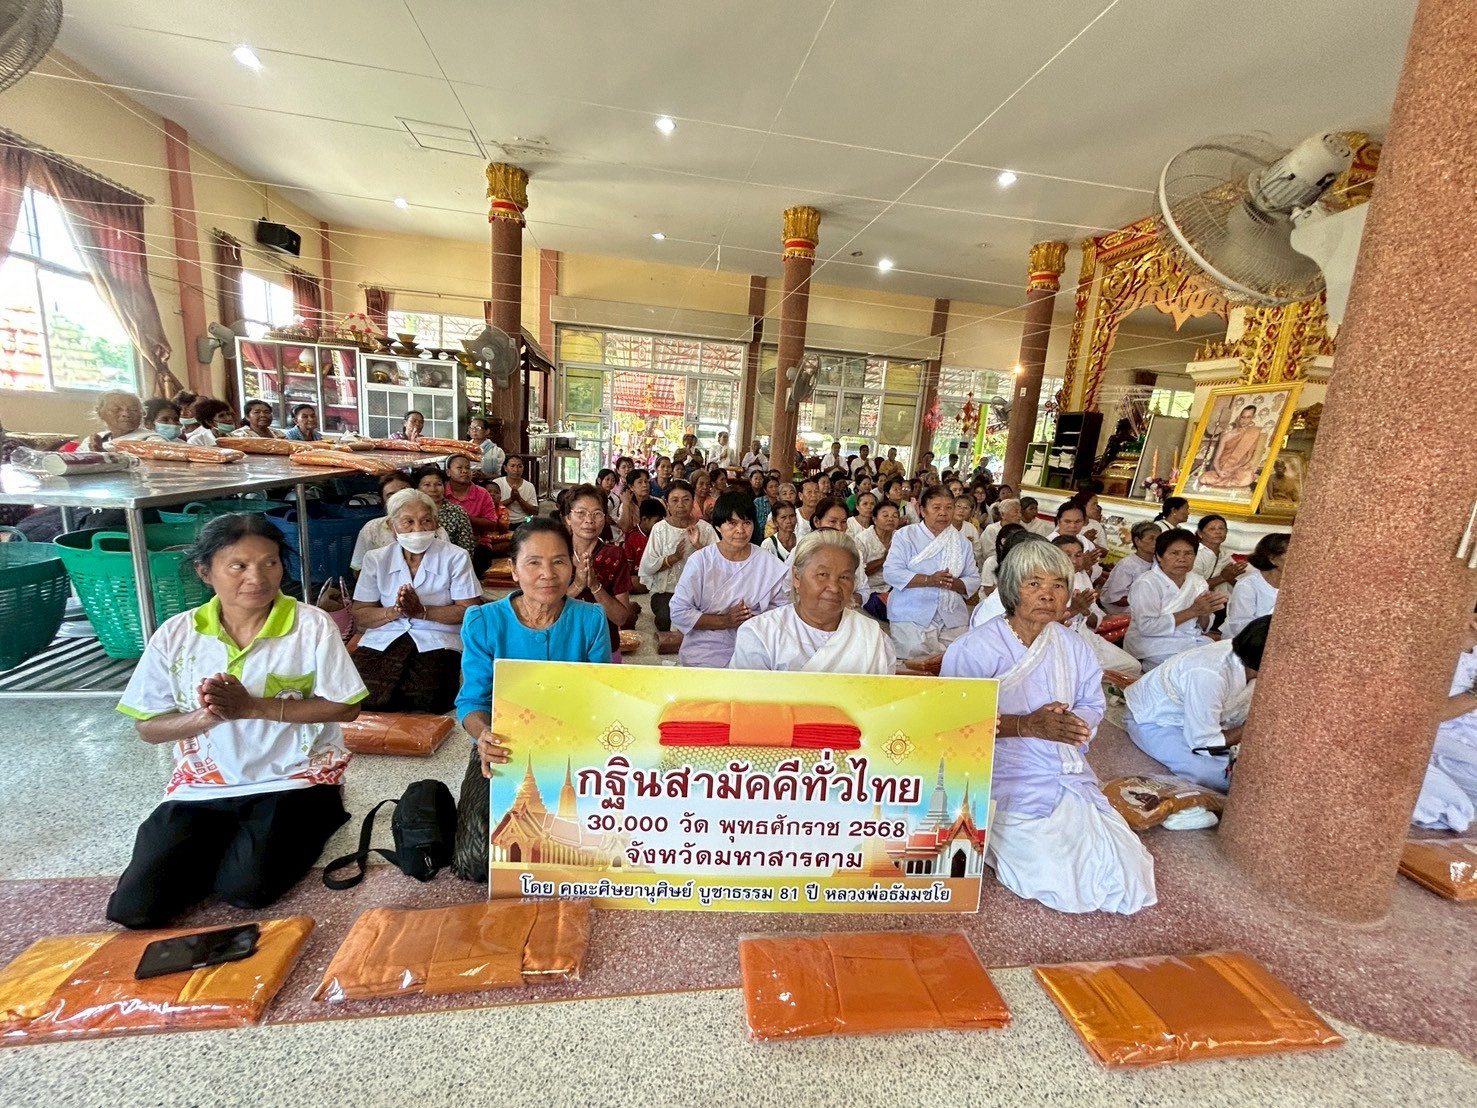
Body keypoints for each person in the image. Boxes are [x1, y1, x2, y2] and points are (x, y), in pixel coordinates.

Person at [108, 514, 365, 928]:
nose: (257, 577)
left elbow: (346, 707)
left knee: (247, 890)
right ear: (205, 572)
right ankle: (224, 841)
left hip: (295, 778)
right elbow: (148, 727)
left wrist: (252, 707)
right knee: (135, 908)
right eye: (238, 566)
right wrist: (206, 717)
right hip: (202, 785)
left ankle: (311, 817)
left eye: (270, 563)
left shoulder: (309, 625)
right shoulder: (177, 635)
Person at [942, 539, 1155, 915]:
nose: (1048, 594)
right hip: (999, 771)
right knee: (1053, 868)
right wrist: (1027, 725)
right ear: (1011, 588)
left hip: (1064, 768)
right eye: (1034, 583)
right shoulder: (974, 649)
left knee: (1124, 863)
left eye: (1058, 585)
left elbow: (1092, 704)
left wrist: (1070, 725)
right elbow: (951, 725)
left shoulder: (1074, 646)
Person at [452, 518, 611, 880]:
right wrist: (483, 737)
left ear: (572, 565)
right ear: (513, 569)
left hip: (576, 748)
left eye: (559, 561)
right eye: (534, 562)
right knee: (480, 860)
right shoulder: (484, 621)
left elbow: (604, 693)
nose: (548, 574)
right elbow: (471, 702)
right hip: (505, 746)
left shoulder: (591, 619)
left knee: (594, 843)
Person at [350, 488, 481, 712]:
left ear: (436, 523)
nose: (418, 529)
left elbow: (469, 610)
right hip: (384, 636)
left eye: (426, 521)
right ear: (392, 527)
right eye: (408, 522)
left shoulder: (456, 557)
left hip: (438, 638)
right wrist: (394, 611)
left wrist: (422, 611)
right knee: (361, 695)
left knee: (429, 698)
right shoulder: (376, 559)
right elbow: (360, 611)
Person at [1125, 616, 1269, 793]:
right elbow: (1204, 742)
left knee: (1265, 762)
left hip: (1202, 722)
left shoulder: (1250, 660)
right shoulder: (1209, 674)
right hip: (1156, 720)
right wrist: (1253, 728)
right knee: (1221, 775)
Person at [731, 532, 896, 674]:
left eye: (844, 577)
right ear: (797, 577)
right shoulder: (761, 634)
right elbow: (748, 705)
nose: (834, 587)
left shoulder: (874, 638)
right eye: (822, 574)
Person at [669, 491, 791, 668]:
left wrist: (754, 620)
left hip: (755, 643)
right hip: (706, 646)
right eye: (732, 523)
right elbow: (679, 612)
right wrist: (726, 621)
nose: (740, 530)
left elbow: (782, 612)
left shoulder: (768, 563)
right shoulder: (701, 561)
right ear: (718, 526)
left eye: (747, 523)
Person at [884, 485, 980, 660]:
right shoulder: (905, 535)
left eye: (949, 507)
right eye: (936, 508)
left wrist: (951, 583)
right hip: (911, 611)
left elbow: (973, 579)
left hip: (951, 615)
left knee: (957, 659)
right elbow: (891, 572)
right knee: (913, 660)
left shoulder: (962, 542)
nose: (943, 513)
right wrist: (929, 580)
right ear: (922, 510)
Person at [1412, 606, 1477, 832]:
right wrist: (1474, 694)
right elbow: (1425, 715)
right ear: (1474, 620)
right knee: (1455, 808)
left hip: (1466, 738)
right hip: (1436, 738)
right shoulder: (1436, 656)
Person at [1124, 529, 1223, 670]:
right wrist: (1193, 611)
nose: (1182, 559)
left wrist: (1205, 611)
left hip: (1190, 640)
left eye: (1188, 553)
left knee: (1228, 662)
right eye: (1174, 553)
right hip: (1153, 645)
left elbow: (1203, 627)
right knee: (1193, 670)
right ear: (1159, 556)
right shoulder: (1147, 583)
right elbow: (1147, 627)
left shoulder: (1198, 581)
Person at [560, 484, 634, 661]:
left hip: (603, 644)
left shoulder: (615, 555)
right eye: (581, 513)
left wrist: (595, 586)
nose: (589, 520)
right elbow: (542, 609)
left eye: (597, 514)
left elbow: (621, 618)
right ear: (568, 518)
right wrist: (577, 585)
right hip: (560, 644)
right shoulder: (555, 553)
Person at [1052, 535, 1141, 679]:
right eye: (1067, 555)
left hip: (1085, 637)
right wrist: (1072, 610)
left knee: (1132, 666)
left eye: (1078, 555)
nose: (1074, 561)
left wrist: (1085, 611)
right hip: (1059, 644)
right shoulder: (1046, 583)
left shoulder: (1081, 577)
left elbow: (1094, 621)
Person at [638, 480, 716, 632]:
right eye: (675, 500)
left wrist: (698, 546)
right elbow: (648, 565)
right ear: (667, 504)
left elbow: (719, 563)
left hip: (697, 591)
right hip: (666, 591)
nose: (680, 505)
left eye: (686, 499)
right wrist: (671, 559)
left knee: (705, 619)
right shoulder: (659, 529)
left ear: (693, 501)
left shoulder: (705, 529)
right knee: (666, 620)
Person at [350, 471, 448, 573]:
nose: (399, 499)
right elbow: (359, 571)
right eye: (390, 495)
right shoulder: (372, 529)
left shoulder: (436, 530)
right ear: (383, 501)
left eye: (404, 493)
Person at [445, 454, 511, 575]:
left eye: (468, 468)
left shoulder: (482, 493)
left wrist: (464, 517)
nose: (465, 471)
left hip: (478, 542)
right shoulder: (441, 491)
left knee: (478, 565)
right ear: (448, 472)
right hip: (446, 542)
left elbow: (491, 524)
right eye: (459, 468)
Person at [1223, 532, 1289, 638]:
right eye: (1290, 554)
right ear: (1272, 559)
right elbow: (1240, 626)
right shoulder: (1247, 585)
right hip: (1245, 644)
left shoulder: (1296, 584)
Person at [414, 464, 477, 559]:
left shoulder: (457, 512)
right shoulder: (412, 513)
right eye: (427, 485)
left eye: (438, 484)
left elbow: (467, 546)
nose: (433, 489)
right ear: (417, 488)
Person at [1101, 522, 1161, 613]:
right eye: (1151, 538)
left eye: (1159, 539)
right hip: (1127, 616)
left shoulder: (1159, 562)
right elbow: (1116, 599)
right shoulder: (1127, 565)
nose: (1156, 542)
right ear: (1138, 541)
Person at [1199, 404, 1264, 489]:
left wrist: (1233, 469)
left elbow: (1248, 457)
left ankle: (1224, 481)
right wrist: (1219, 471)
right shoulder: (1227, 435)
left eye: (1248, 417)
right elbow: (1216, 459)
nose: (1244, 421)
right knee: (1203, 478)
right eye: (1243, 417)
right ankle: (1226, 481)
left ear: (1253, 417)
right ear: (1239, 417)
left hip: (1238, 469)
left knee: (1247, 477)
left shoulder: (1253, 433)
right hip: (1222, 469)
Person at [79, 390, 163, 451]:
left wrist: (103, 455)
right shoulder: (91, 441)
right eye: (116, 409)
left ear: (142, 415)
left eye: (134, 410)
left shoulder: (152, 440)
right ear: (100, 413)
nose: (126, 414)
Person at [1192, 514, 1247, 602]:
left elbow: (1233, 579)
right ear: (1200, 533)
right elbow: (1193, 588)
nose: (1218, 532)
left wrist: (1233, 576)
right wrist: (1223, 577)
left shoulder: (1225, 553)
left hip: (1223, 602)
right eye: (1212, 529)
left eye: (1221, 528)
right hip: (1200, 603)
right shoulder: (1194, 553)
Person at [493, 454, 539, 526]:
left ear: (523, 468)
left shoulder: (529, 486)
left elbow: (534, 511)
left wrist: (519, 499)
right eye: (512, 466)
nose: (516, 470)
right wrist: (511, 499)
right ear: (505, 468)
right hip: (500, 523)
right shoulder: (497, 483)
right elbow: (491, 507)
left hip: (523, 522)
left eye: (519, 466)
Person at [626, 496, 665, 580]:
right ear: (644, 519)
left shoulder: (662, 534)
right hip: (640, 578)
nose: (660, 525)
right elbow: (627, 570)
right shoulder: (631, 538)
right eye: (657, 522)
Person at [979, 498, 1021, 564]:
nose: (1019, 515)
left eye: (1020, 512)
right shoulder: (992, 529)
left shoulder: (1020, 530)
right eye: (1016, 512)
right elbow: (989, 553)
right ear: (1003, 515)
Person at [617, 468, 652, 539]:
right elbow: (626, 529)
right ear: (631, 487)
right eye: (640, 482)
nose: (645, 485)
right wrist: (627, 505)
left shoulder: (657, 502)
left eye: (646, 481)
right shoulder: (626, 504)